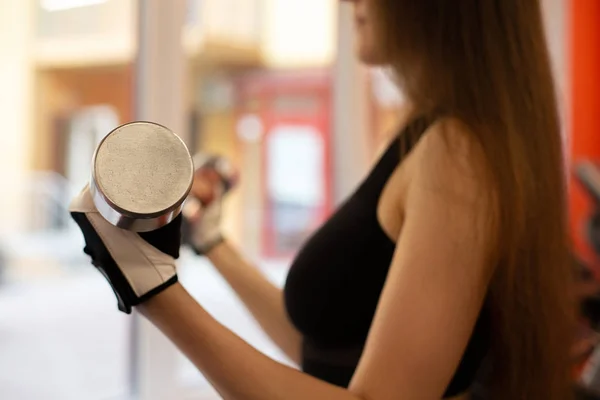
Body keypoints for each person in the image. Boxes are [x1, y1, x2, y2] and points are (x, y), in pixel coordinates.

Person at [69, 0, 575, 399]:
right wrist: (213, 241)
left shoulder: (457, 151)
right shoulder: (426, 138)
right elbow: (324, 352)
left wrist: (154, 290)